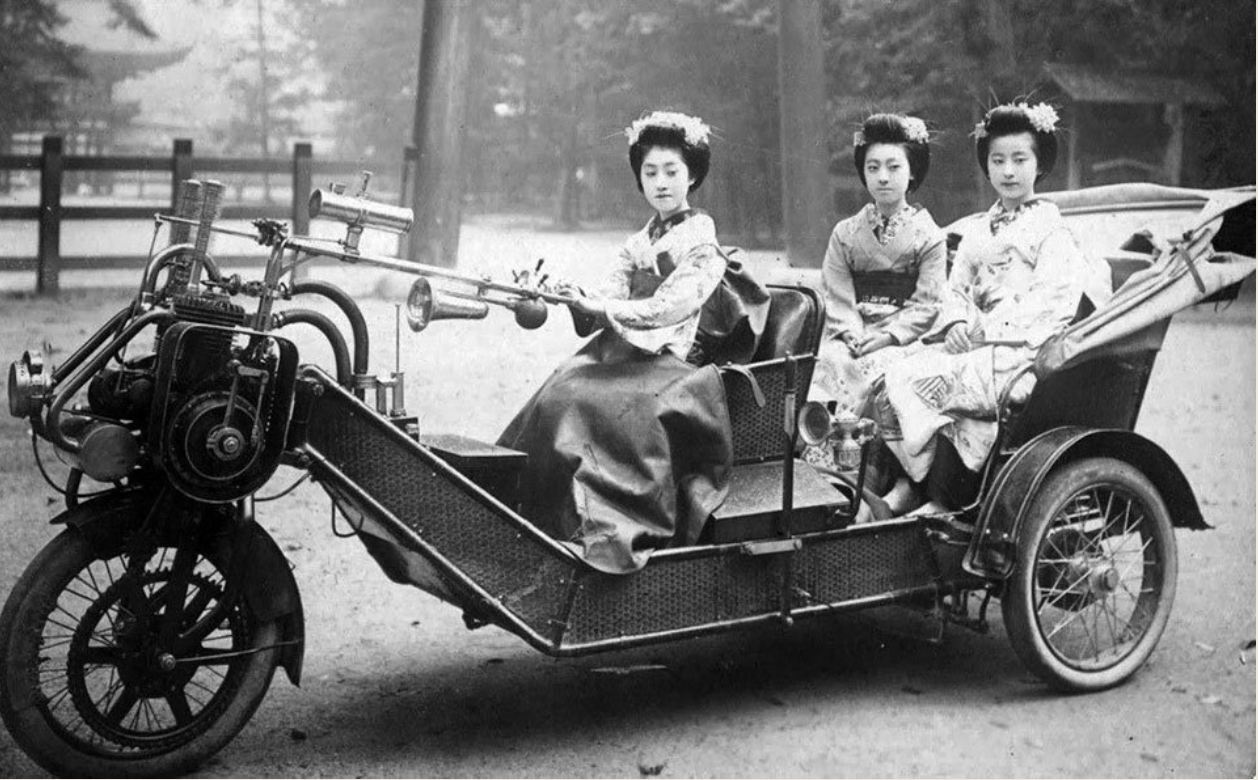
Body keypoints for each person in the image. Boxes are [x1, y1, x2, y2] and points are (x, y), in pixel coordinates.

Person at [497, 110, 736, 574]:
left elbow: (667, 309)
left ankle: (604, 534)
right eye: (650, 173)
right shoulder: (637, 242)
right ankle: (531, 519)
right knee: (559, 390)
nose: (661, 183)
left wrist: (602, 310)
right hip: (622, 354)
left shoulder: (704, 246)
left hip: (669, 363)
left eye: (672, 172)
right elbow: (608, 294)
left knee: (589, 407)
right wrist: (570, 296)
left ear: (693, 176)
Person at [872, 102, 1111, 504]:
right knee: (889, 370)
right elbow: (955, 289)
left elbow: (1051, 305)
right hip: (976, 343)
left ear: (1040, 163)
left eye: (1020, 159)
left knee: (933, 380)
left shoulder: (1053, 230)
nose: (1009, 171)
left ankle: (939, 496)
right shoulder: (979, 229)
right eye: (998, 160)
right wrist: (957, 325)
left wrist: (985, 332)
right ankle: (906, 483)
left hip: (1021, 351)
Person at [810, 113, 946, 415]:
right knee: (827, 364)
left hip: (903, 338)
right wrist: (852, 334)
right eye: (873, 167)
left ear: (912, 172)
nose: (883, 176)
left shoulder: (930, 236)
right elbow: (837, 293)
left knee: (891, 376)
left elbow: (928, 303)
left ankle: (874, 459)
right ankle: (826, 453)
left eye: (894, 166)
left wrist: (886, 337)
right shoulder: (845, 233)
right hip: (853, 333)